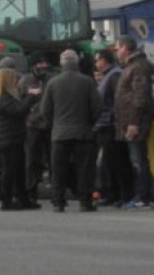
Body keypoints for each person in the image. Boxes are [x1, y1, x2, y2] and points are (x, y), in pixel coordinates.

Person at [41, 50, 102, 212]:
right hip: (83, 133)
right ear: (77, 63)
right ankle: (85, 202)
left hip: (59, 134)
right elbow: (97, 108)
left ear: (62, 64)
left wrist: (54, 124)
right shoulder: (87, 82)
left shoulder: (53, 83)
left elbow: (45, 109)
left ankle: (58, 202)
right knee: (84, 170)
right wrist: (89, 124)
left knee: (58, 170)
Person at [0, 68, 42, 211]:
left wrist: (29, 98)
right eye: (14, 79)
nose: (17, 82)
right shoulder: (2, 97)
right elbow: (18, 110)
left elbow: (19, 108)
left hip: (13, 137)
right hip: (8, 139)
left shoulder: (3, 97)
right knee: (9, 170)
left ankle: (22, 198)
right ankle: (7, 201)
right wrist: (31, 96)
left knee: (19, 170)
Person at [114, 35, 154, 210]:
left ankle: (142, 197)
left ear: (124, 48)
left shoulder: (138, 67)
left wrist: (134, 122)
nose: (116, 52)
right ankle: (138, 195)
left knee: (138, 160)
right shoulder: (130, 66)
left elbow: (140, 96)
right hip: (128, 121)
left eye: (117, 48)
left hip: (134, 122)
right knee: (134, 160)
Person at [93, 49, 132, 206]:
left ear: (104, 60)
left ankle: (123, 194)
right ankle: (112, 194)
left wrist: (116, 120)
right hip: (104, 124)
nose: (96, 64)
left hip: (111, 124)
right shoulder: (108, 75)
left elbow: (118, 101)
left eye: (97, 60)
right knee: (108, 162)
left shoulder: (114, 75)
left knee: (117, 161)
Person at [21, 52, 51, 202]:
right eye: (40, 63)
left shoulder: (50, 80)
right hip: (32, 126)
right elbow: (20, 100)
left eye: (44, 63)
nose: (43, 66)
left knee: (51, 159)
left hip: (48, 125)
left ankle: (56, 190)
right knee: (32, 160)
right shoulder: (25, 80)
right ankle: (31, 190)